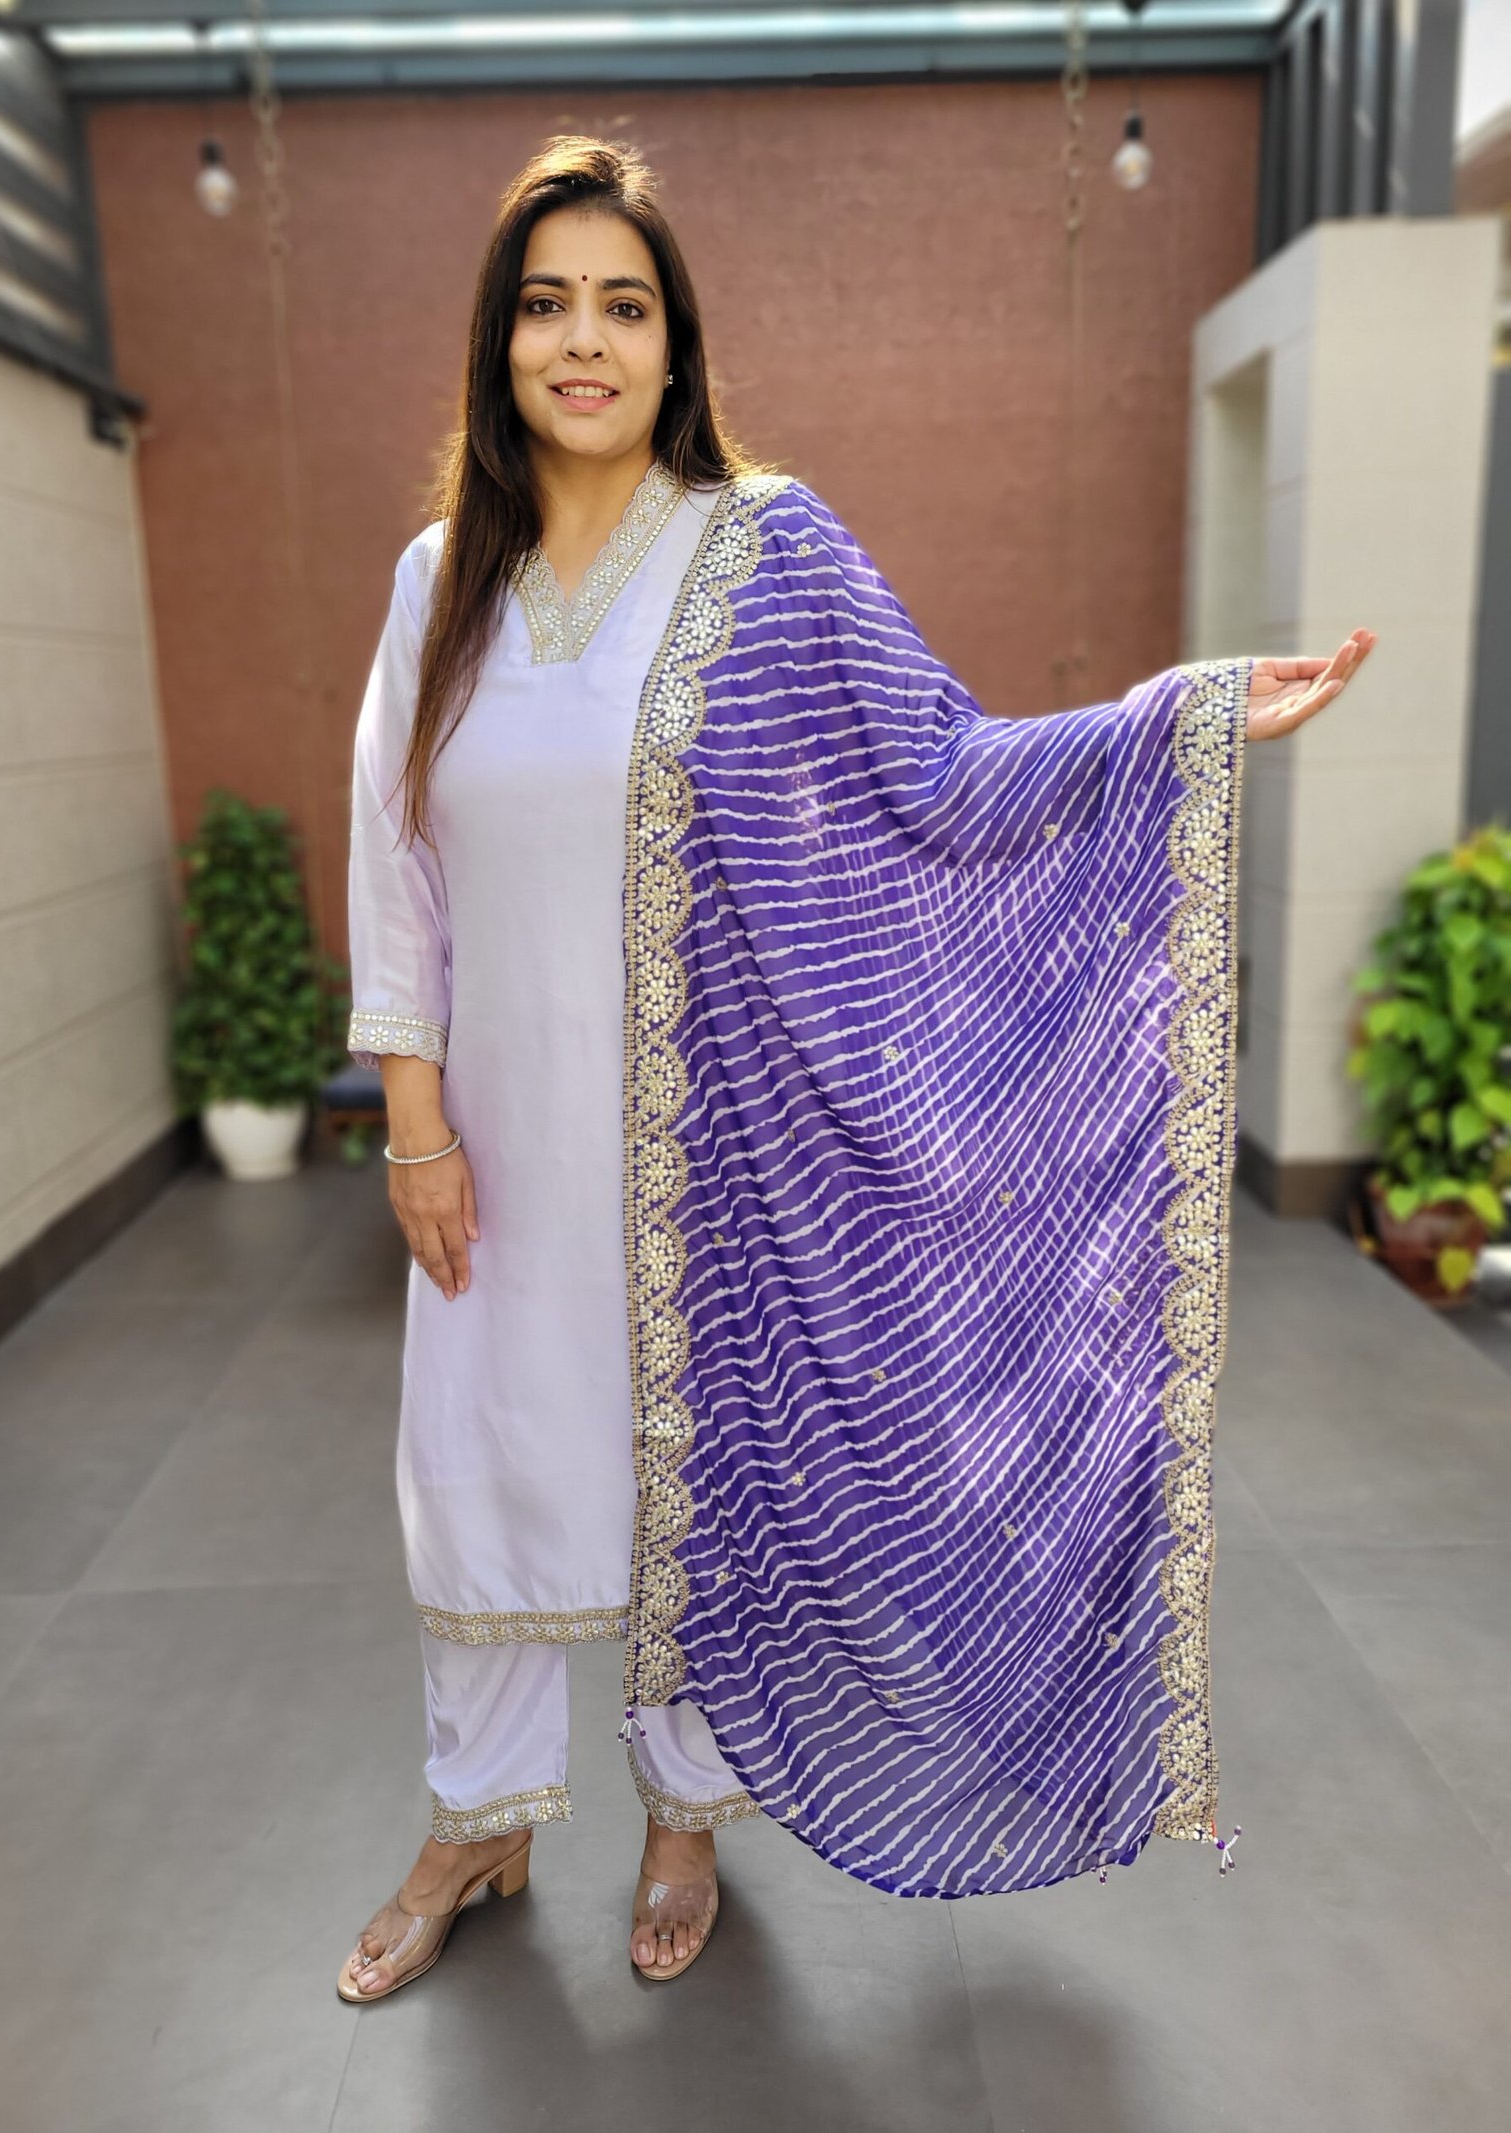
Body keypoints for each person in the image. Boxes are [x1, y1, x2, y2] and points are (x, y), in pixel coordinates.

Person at [337, 133, 1375, 2002]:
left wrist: (1181, 717)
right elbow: (393, 857)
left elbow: (943, 771)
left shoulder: (763, 551)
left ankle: (686, 1807)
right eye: (548, 306)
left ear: (677, 343)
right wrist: (414, 1123)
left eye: (624, 307)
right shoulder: (444, 581)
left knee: (703, 1466)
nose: (585, 342)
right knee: (477, 1456)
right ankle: (476, 1814)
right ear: (500, 342)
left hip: (713, 1139)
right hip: (492, 1130)